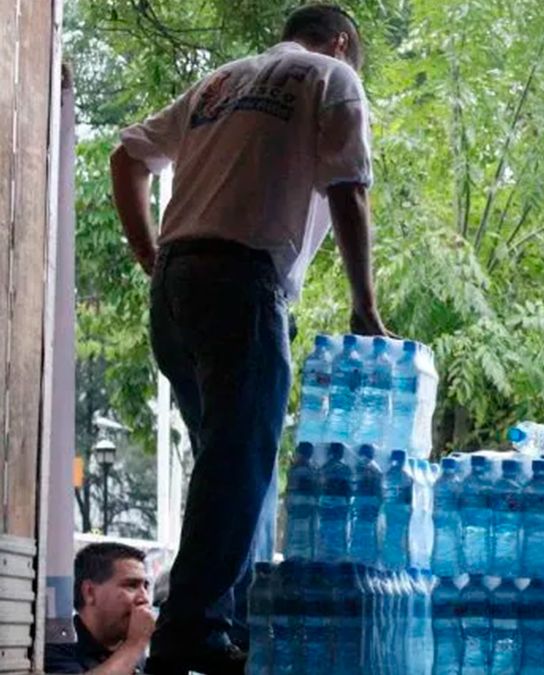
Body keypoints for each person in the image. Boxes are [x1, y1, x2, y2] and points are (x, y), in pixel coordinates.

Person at [108, 4, 388, 673]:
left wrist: (149, 254)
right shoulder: (332, 76)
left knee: (235, 464)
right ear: (341, 43)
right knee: (238, 462)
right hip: (241, 284)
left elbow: (127, 157)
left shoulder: (220, 82)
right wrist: (365, 306)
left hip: (177, 287)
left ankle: (230, 623)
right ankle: (191, 629)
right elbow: (349, 191)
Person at [45, 543, 154, 674]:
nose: (144, 598)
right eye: (131, 585)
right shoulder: (57, 647)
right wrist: (135, 644)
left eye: (145, 587)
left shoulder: (130, 648)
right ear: (90, 592)